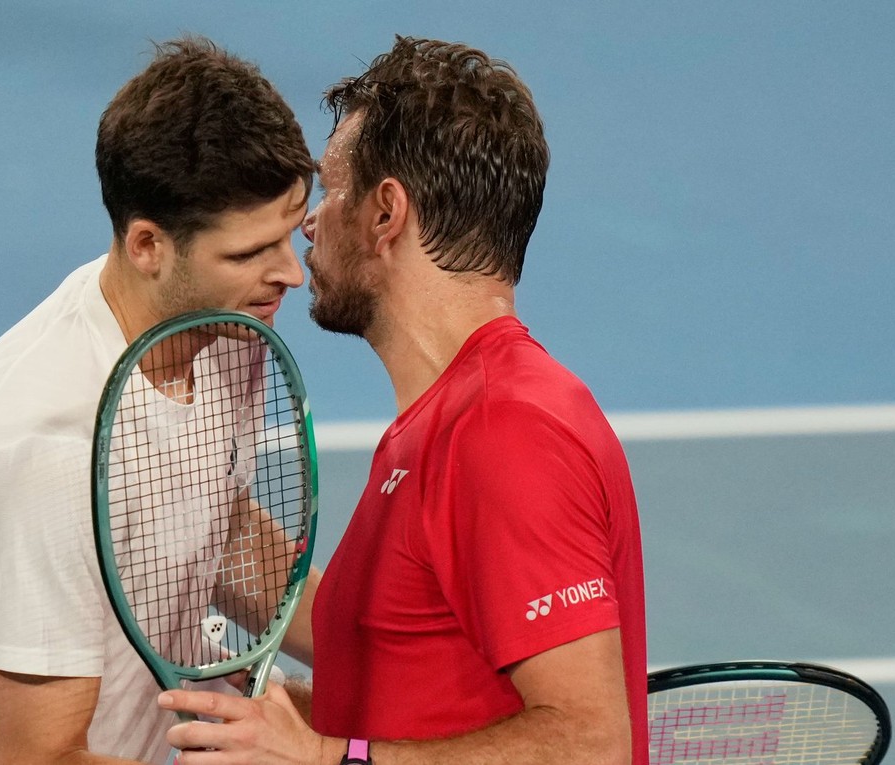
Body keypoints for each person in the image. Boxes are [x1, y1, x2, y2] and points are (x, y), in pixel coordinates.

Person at [159, 35, 648, 765]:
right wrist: (280, 724)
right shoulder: (447, 422)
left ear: (386, 212)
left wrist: (325, 758)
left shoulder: (504, 431)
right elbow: (405, 677)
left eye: (331, 190)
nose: (309, 224)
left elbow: (588, 744)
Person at [0, 37, 318, 765]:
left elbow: (209, 523)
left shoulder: (224, 329)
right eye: (250, 253)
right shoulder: (46, 452)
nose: (291, 273)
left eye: (287, 236)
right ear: (148, 246)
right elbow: (38, 759)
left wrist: (379, 660)